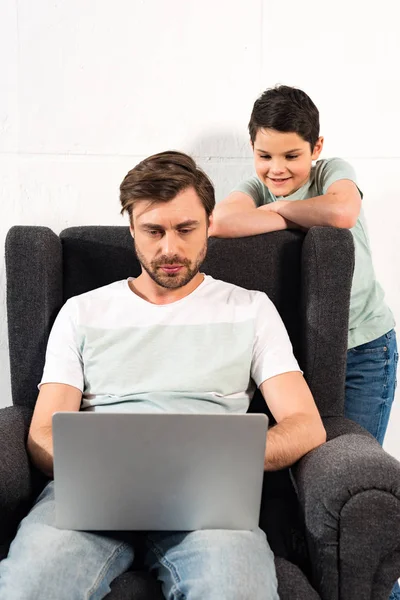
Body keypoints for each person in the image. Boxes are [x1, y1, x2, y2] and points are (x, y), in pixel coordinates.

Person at [0, 151, 326, 600]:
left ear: (209, 223)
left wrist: (219, 461)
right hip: (92, 499)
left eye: (185, 229)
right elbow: (41, 435)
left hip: (210, 504)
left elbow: (306, 425)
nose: (169, 248)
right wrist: (116, 469)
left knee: (235, 590)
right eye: (153, 231)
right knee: (30, 585)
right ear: (131, 229)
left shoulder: (251, 309)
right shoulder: (81, 313)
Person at [211, 85, 397, 448]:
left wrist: (278, 211)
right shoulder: (256, 187)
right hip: (301, 350)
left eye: (292, 155)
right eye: (265, 155)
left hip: (365, 348)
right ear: (252, 150)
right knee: (307, 454)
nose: (276, 169)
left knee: (354, 456)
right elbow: (220, 221)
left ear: (316, 148)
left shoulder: (331, 172)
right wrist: (295, 216)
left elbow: (341, 212)